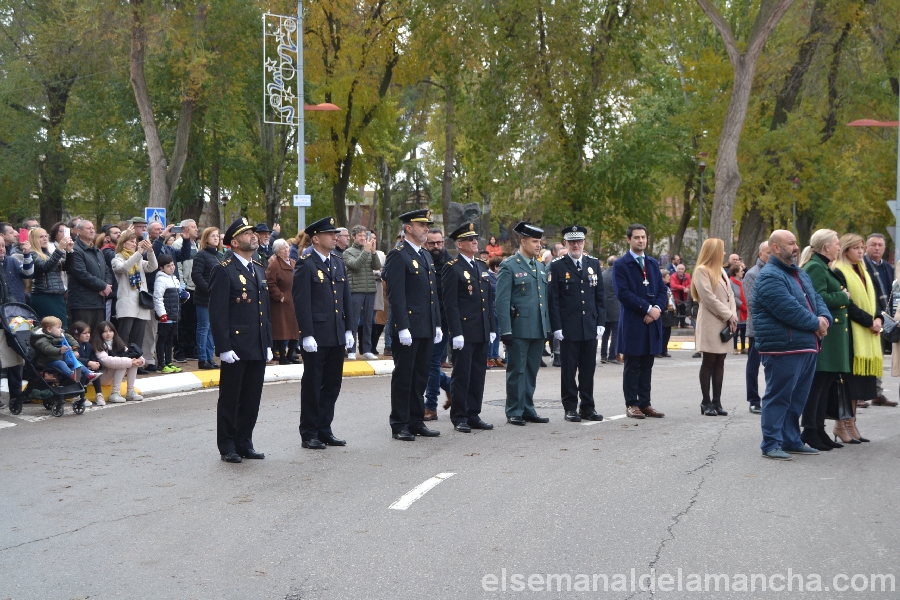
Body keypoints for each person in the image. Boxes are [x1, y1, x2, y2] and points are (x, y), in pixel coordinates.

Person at [752, 230, 831, 460]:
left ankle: (791, 439)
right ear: (776, 248)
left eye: (796, 242)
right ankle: (771, 443)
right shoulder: (769, 276)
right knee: (779, 397)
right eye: (791, 243)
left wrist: (825, 319)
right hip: (783, 348)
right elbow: (788, 310)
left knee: (797, 398)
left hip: (805, 345)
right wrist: (816, 323)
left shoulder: (799, 273)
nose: (796, 247)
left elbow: (816, 299)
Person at [209, 218, 273, 463]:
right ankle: (227, 445)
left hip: (257, 343)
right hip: (236, 346)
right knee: (231, 398)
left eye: (253, 232)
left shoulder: (258, 267)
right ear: (234, 243)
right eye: (247, 233)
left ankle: (245, 442)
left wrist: (268, 342)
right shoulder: (224, 269)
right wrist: (223, 347)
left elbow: (264, 310)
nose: (253, 236)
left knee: (251, 398)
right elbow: (218, 313)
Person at [383, 209, 442, 440]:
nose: (426, 229)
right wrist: (402, 327)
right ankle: (400, 423)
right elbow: (396, 295)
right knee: (404, 377)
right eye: (421, 225)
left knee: (420, 376)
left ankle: (416, 420)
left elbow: (432, 295)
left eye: (427, 225)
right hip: (408, 327)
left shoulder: (425, 254)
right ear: (408, 228)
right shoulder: (398, 255)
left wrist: (436, 323)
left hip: (426, 325)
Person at [495, 221, 552, 426]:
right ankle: (514, 410)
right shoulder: (509, 265)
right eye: (535, 241)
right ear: (523, 241)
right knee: (517, 371)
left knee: (531, 371)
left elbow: (543, 299)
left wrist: (547, 326)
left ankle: (528, 408)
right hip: (518, 328)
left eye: (540, 242)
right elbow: (502, 301)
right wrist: (506, 330)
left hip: (537, 327)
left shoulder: (540, 266)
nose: (538, 245)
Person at [547, 225, 605, 422]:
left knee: (588, 370)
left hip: (589, 325)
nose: (576, 245)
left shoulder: (593, 263)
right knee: (569, 370)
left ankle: (587, 406)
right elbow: (554, 299)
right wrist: (556, 326)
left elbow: (599, 296)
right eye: (572, 242)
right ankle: (570, 407)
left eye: (579, 241)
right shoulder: (557, 266)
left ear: (584, 243)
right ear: (566, 243)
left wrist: (600, 321)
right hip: (568, 327)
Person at [442, 222, 496, 432]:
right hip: (463, 331)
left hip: (481, 329)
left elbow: (488, 301)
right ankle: (459, 416)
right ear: (459, 244)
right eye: (470, 239)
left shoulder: (481, 266)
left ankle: (473, 413)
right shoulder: (452, 268)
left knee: (478, 375)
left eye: (475, 239)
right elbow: (450, 304)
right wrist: (456, 332)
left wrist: (492, 327)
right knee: (462, 375)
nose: (475, 242)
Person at [798, 230, 848, 450]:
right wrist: (843, 296)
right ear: (827, 246)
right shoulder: (816, 267)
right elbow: (817, 298)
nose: (839, 247)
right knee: (817, 384)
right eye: (836, 243)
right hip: (825, 334)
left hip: (832, 334)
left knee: (825, 384)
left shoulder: (823, 265)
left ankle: (819, 429)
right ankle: (809, 429)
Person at [613, 224, 668, 419]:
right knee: (632, 364)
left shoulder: (652, 263)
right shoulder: (621, 265)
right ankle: (632, 403)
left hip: (652, 322)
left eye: (643, 237)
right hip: (633, 322)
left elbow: (662, 289)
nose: (641, 240)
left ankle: (645, 403)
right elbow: (623, 293)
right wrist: (647, 308)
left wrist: (657, 309)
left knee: (647, 364)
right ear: (629, 239)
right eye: (636, 237)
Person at [832, 233, 881, 439]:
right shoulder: (839, 270)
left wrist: (878, 318)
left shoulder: (862, 269)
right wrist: (869, 321)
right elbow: (848, 304)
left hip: (867, 330)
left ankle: (851, 424)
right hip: (850, 332)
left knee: (858, 383)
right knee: (849, 382)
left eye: (862, 248)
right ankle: (842, 424)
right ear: (845, 250)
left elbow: (874, 299)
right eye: (856, 248)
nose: (861, 252)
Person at [691, 238, 737, 417]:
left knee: (720, 361)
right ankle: (706, 401)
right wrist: (728, 315)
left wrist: (733, 315)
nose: (724, 253)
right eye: (722, 250)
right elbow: (708, 298)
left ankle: (717, 401)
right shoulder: (702, 270)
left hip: (725, 320)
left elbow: (730, 295)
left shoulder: (721, 271)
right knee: (709, 361)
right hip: (711, 321)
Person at [863, 233, 898, 406]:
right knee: (865, 356)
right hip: (867, 316)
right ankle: (860, 395)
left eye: (880, 245)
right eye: (873, 244)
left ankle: (877, 394)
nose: (877, 248)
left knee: (879, 356)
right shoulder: (862, 265)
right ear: (866, 247)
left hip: (886, 317)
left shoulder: (888, 267)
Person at [111, 232, 157, 353]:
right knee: (124, 335)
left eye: (135, 242)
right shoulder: (117, 258)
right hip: (127, 302)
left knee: (138, 337)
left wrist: (150, 252)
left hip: (141, 302)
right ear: (123, 243)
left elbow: (153, 267)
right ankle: (122, 359)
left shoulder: (138, 259)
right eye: (131, 241)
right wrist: (139, 253)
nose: (134, 244)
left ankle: (136, 360)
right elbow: (124, 267)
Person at [424, 227, 453, 419]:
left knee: (432, 363)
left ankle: (430, 406)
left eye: (439, 242)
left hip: (441, 322)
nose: (436, 246)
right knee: (425, 364)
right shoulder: (421, 259)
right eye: (432, 243)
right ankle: (450, 386)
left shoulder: (449, 264)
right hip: (421, 320)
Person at [343, 225, 382, 360]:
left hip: (370, 289)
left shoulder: (369, 250)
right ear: (353, 237)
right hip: (355, 290)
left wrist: (373, 252)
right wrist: (366, 251)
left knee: (368, 321)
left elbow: (377, 266)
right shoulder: (348, 252)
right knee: (353, 320)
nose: (363, 238)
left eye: (364, 235)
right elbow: (355, 265)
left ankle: (367, 349)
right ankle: (351, 350)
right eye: (360, 235)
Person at [68, 220, 113, 332]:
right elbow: (81, 273)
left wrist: (107, 286)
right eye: (88, 228)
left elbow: (107, 270)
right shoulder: (75, 250)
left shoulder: (97, 251)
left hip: (98, 301)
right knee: (82, 335)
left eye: (93, 228)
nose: (92, 230)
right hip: (82, 303)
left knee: (97, 336)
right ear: (79, 231)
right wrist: (102, 286)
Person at [30, 316, 100, 384]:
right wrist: (60, 350)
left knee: (72, 360)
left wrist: (75, 348)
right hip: (46, 362)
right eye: (58, 327)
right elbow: (47, 349)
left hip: (59, 358)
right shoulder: (41, 339)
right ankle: (72, 375)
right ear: (49, 329)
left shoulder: (59, 334)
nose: (61, 329)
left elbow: (70, 338)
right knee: (61, 363)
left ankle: (88, 374)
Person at [191, 227, 223, 370]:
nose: (216, 238)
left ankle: (210, 358)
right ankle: (202, 358)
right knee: (203, 327)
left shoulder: (219, 256)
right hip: (204, 298)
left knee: (211, 329)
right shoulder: (201, 255)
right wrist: (209, 290)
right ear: (206, 238)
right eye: (213, 236)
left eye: (217, 236)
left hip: (216, 298)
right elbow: (196, 275)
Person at [743, 241, 769, 414]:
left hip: (775, 328)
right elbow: (752, 303)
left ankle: (770, 399)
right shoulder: (752, 274)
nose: (771, 256)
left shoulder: (779, 271)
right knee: (754, 365)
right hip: (758, 328)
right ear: (760, 254)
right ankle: (753, 400)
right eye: (768, 253)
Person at [28, 228, 73, 327]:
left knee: (62, 327)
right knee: (50, 328)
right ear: (34, 239)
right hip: (43, 296)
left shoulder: (49, 253)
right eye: (41, 237)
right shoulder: (32, 254)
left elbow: (67, 267)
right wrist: (59, 249)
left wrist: (69, 252)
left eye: (46, 236)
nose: (45, 239)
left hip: (57, 295)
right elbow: (45, 267)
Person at [266, 238, 300, 365]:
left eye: (287, 247)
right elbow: (270, 283)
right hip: (281, 303)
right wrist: (280, 296)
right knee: (282, 330)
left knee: (295, 329)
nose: (286, 250)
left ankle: (290, 355)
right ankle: (282, 356)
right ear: (277, 252)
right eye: (283, 249)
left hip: (294, 300)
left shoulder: (293, 263)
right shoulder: (274, 264)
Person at [92, 320, 144, 403]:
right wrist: (130, 361)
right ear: (100, 333)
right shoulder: (98, 345)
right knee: (123, 363)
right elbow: (106, 361)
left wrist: (140, 361)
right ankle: (115, 393)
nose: (108, 334)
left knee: (132, 362)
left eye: (110, 331)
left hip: (112, 376)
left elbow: (130, 353)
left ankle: (130, 391)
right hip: (102, 376)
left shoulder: (117, 342)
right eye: (105, 332)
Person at [152, 254, 187, 373]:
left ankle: (169, 362)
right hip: (166, 316)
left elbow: (176, 298)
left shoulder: (174, 279)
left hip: (174, 315)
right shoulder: (161, 280)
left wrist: (184, 296)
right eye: (168, 266)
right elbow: (157, 297)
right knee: (163, 339)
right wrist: (162, 314)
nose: (172, 268)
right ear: (162, 268)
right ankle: (161, 364)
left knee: (170, 340)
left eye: (172, 265)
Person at [173, 219, 200, 361]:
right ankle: (180, 351)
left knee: (192, 321)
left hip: (195, 286)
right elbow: (178, 266)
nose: (196, 229)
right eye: (193, 227)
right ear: (185, 229)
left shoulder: (197, 245)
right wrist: (181, 285)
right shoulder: (178, 244)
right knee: (183, 321)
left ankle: (191, 349)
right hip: (186, 287)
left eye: (196, 226)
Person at [70, 321, 104, 407]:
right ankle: (79, 396)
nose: (88, 335)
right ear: (76, 335)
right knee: (82, 370)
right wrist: (88, 362)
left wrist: (97, 363)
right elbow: (72, 359)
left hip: (86, 369)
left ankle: (99, 394)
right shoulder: (73, 346)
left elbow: (93, 357)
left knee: (95, 371)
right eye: (84, 333)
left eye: (88, 333)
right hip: (72, 372)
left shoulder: (88, 345)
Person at [487, 256, 503, 366]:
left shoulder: (500, 276)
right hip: (491, 308)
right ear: (496, 267)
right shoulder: (487, 276)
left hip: (498, 308)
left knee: (497, 334)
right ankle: (490, 356)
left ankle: (496, 355)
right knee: (491, 333)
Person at [729, 264, 747, 354]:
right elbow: (732, 296)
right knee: (736, 330)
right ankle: (735, 348)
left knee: (744, 330)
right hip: (737, 309)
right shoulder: (731, 282)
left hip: (744, 310)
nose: (743, 272)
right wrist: (741, 305)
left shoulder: (743, 281)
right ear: (736, 272)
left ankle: (743, 347)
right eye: (741, 271)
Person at [669, 263, 691, 328]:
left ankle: (683, 324)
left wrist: (687, 288)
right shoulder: (673, 276)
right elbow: (673, 285)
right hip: (676, 296)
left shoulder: (688, 276)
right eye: (679, 269)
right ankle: (675, 324)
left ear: (684, 270)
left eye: (682, 269)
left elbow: (691, 283)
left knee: (683, 310)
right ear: (677, 269)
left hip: (685, 296)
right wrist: (683, 287)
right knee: (676, 310)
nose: (680, 270)